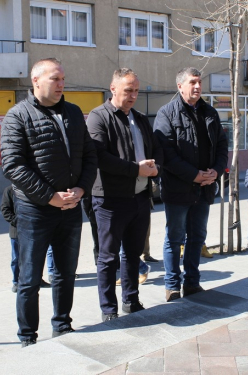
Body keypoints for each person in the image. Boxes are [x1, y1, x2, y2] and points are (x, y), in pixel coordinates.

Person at [0, 58, 97, 347]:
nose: (61, 84)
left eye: (63, 78)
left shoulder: (74, 112)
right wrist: (50, 197)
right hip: (35, 210)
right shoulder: (17, 116)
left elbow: (89, 156)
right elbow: (13, 166)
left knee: (66, 273)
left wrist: (80, 189)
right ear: (36, 81)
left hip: (70, 206)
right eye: (55, 78)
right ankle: (27, 337)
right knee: (29, 279)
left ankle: (63, 325)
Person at [86, 68, 162, 322]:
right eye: (128, 90)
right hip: (110, 201)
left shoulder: (139, 118)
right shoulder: (98, 117)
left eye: (136, 90)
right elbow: (99, 157)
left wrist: (154, 168)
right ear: (113, 89)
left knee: (132, 254)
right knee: (108, 258)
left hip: (140, 198)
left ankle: (131, 300)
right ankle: (109, 309)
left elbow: (153, 149)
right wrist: (136, 169)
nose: (133, 95)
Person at [154, 67, 228, 302]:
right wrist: (193, 175)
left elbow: (223, 146)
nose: (197, 86)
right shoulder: (166, 114)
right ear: (180, 86)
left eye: (199, 82)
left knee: (197, 237)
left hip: (205, 188)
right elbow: (166, 153)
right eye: (192, 82)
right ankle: (172, 285)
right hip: (178, 189)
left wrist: (215, 172)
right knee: (175, 239)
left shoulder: (210, 113)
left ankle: (192, 283)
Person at [0, 186, 52, 292]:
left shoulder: (32, 188)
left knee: (35, 257)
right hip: (17, 231)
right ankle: (16, 282)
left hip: (34, 230)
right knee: (17, 258)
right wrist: (19, 223)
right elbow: (5, 210)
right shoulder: (9, 190)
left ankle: (37, 279)